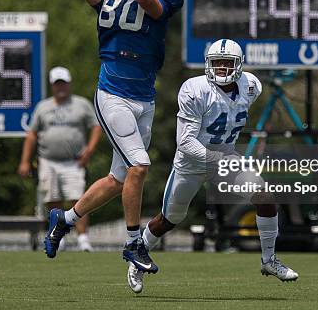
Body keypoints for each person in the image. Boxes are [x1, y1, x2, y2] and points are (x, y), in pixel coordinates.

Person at [43, 0, 183, 275]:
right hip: (113, 92)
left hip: (144, 98)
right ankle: (133, 243)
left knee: (117, 180)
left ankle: (65, 219)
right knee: (140, 166)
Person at [127, 39, 299, 293]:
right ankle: (137, 258)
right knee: (170, 219)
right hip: (191, 164)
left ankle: (269, 260)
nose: (220, 68)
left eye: (226, 63)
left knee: (265, 196)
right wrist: (217, 159)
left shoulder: (251, 86)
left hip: (225, 158)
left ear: (238, 66)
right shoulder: (195, 90)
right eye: (216, 63)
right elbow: (185, 143)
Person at [18, 66, 102, 252]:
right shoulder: (43, 107)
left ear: (69, 83)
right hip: (48, 160)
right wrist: (25, 161)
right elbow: (32, 134)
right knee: (52, 198)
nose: (60, 87)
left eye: (63, 83)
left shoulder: (81, 104)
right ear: (52, 85)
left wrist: (89, 151)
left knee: (78, 199)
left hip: (74, 161)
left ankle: (83, 239)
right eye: (57, 84)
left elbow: (96, 127)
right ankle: (59, 237)